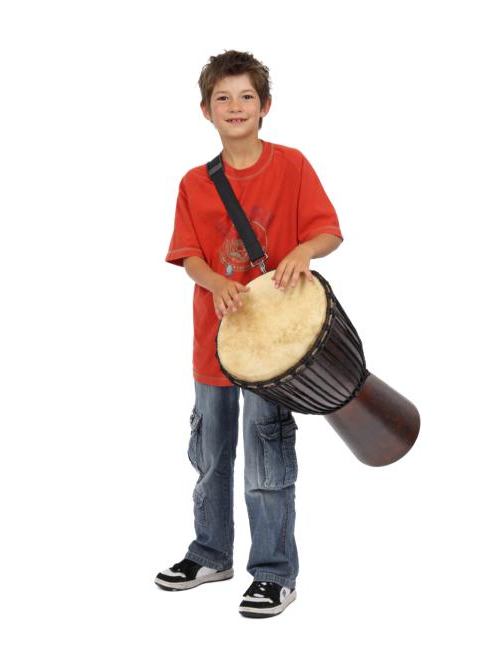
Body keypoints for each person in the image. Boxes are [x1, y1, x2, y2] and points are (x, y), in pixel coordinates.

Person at [155, 49, 343, 618]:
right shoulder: (194, 182)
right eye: (223, 98)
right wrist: (215, 281)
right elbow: (189, 255)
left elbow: (328, 232)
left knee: (266, 462)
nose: (235, 106)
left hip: (275, 353)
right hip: (214, 343)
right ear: (205, 110)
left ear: (265, 106)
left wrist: (303, 252)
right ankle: (211, 553)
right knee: (210, 457)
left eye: (245, 97)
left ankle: (274, 573)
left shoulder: (292, 166)